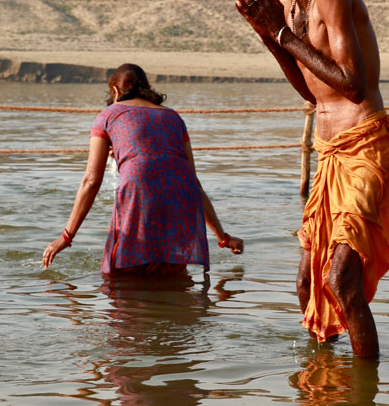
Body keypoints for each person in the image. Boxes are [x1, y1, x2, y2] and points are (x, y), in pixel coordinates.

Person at [235, 0, 389, 358]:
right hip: (329, 151)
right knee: (306, 280)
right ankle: (326, 383)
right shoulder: (291, 2)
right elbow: (311, 93)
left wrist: (281, 34)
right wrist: (270, 36)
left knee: (340, 279)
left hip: (365, 143)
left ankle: (363, 401)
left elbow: (351, 84)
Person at [42, 63, 243, 275]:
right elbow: (192, 182)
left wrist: (66, 236)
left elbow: (91, 180)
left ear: (116, 91)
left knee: (118, 279)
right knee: (171, 279)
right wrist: (223, 238)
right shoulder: (174, 118)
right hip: (180, 201)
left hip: (139, 195)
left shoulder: (108, 115)